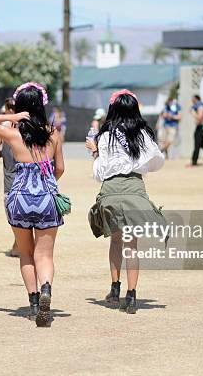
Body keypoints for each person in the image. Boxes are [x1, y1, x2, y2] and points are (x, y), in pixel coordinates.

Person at [0, 82, 65, 327]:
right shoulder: (53, 134)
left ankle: (34, 304)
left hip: (18, 197)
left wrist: (12, 116)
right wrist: (47, 181)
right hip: (47, 198)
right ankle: (46, 288)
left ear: (21, 108)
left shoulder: (13, 134)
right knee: (45, 254)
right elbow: (60, 169)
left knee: (26, 253)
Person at [86, 89, 165, 314]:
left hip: (110, 192)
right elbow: (157, 162)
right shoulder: (143, 134)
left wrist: (94, 152)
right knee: (132, 246)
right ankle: (131, 296)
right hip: (134, 191)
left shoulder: (105, 135)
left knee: (115, 242)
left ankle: (114, 288)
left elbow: (99, 173)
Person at [0, 98, 19, 258]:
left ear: (8, 110)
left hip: (10, 180)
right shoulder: (29, 127)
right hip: (27, 179)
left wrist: (4, 153)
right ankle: (18, 245)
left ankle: (18, 246)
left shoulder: (4, 128)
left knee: (12, 215)